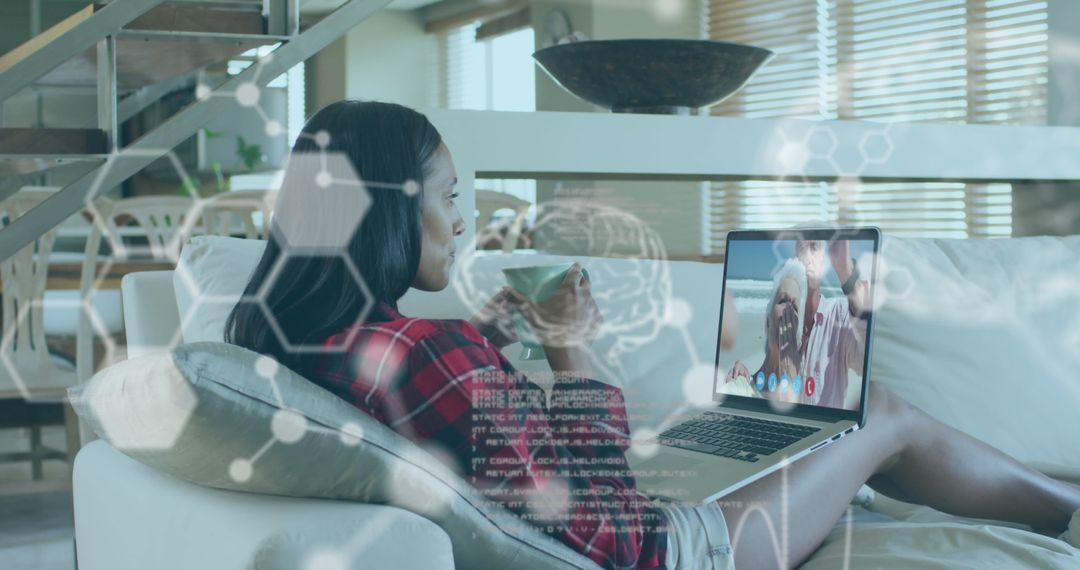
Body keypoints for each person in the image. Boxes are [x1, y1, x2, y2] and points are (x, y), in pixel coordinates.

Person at [225, 100, 1080, 569]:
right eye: (448, 194)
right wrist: (572, 353)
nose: (464, 212)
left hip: (658, 498)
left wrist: (489, 339)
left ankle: (798, 450)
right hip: (680, 549)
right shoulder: (423, 353)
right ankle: (1069, 514)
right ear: (390, 206)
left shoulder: (308, 335)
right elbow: (617, 541)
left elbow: (479, 438)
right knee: (881, 413)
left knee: (791, 368)